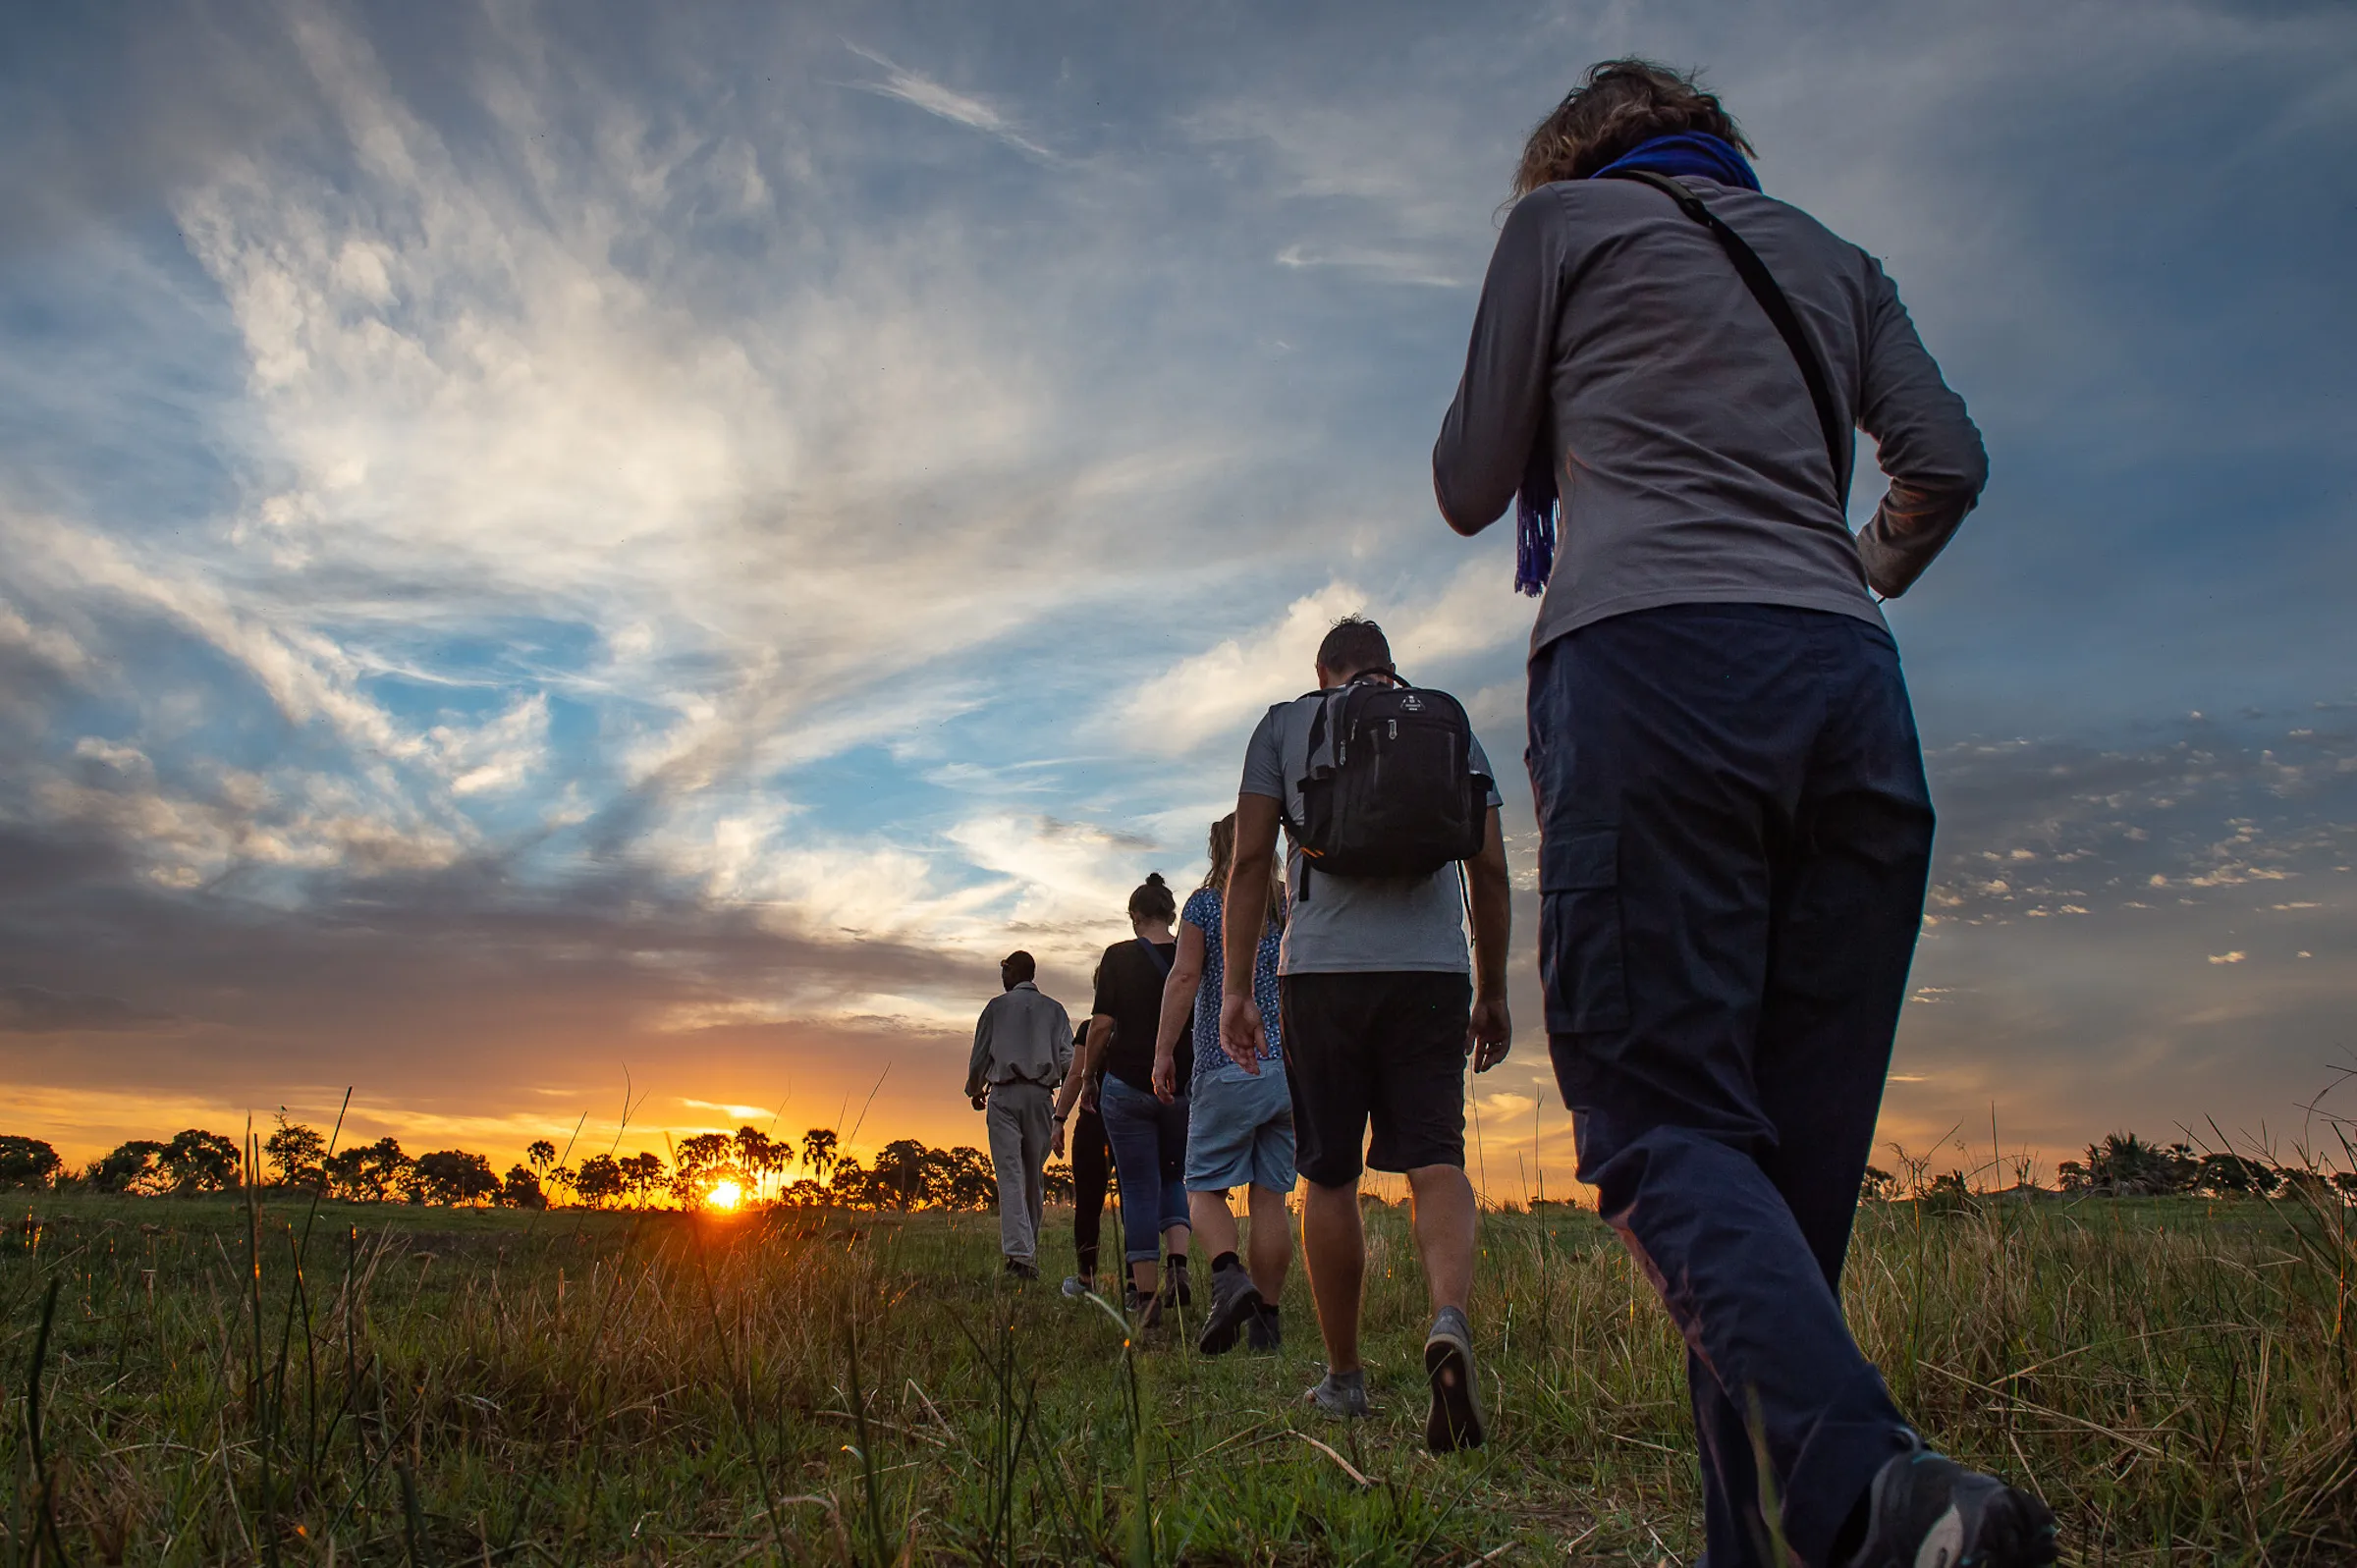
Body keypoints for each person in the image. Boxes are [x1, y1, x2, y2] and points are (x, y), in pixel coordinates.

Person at [1432, 60, 2054, 1568]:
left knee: (1657, 1125)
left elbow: (1465, 481)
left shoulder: (1562, 230)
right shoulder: (1837, 263)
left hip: (1648, 675)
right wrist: (1855, 563)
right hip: (1849, 699)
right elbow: (1945, 463)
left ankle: (1883, 1487)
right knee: (1771, 1219)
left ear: (1573, 156)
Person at [1221, 615, 1512, 1452]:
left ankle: (1345, 1379)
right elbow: (1487, 867)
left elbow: (1246, 863)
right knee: (1436, 1160)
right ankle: (1447, 1318)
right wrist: (1490, 990)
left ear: (1325, 674)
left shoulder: (1285, 724)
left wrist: (1237, 990)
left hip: (1319, 974)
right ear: (1390, 668)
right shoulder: (1448, 723)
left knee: (1331, 1174)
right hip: (1431, 971)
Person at [1151, 813, 1291, 1355]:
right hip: (1286, 1070)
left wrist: (1165, 1051)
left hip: (1226, 1062)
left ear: (1217, 850)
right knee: (1271, 1196)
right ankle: (1267, 1324)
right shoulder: (1287, 903)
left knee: (1202, 1186)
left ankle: (1229, 1277)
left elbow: (1185, 976)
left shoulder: (1206, 904)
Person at [1059, 873, 1191, 1324]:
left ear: (1135, 916)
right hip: (1183, 1086)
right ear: (1171, 914)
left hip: (1129, 1086)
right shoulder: (1193, 953)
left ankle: (1146, 1298)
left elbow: (1100, 1026)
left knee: (1137, 1187)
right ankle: (1179, 1265)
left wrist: (1091, 1076)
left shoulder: (1117, 956)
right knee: (1175, 1177)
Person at [965, 949, 1072, 1281]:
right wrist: (1071, 1100)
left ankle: (1020, 1256)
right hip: (1042, 1096)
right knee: (1031, 1178)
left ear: (1013, 973)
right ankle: (1027, 1251)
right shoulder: (1055, 1010)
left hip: (1005, 1095)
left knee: (1010, 1174)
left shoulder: (996, 1008)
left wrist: (974, 1089)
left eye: (1004, 969)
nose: (1002, 975)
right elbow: (1068, 1058)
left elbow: (980, 1055)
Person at [1055, 1017, 1116, 1298]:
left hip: (1094, 1123)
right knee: (1137, 1199)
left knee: (1088, 1205)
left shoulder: (1090, 1029)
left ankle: (1085, 1278)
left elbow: (1077, 1074)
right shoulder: (1144, 1023)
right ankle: (1136, 1284)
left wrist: (1059, 1119)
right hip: (1134, 1121)